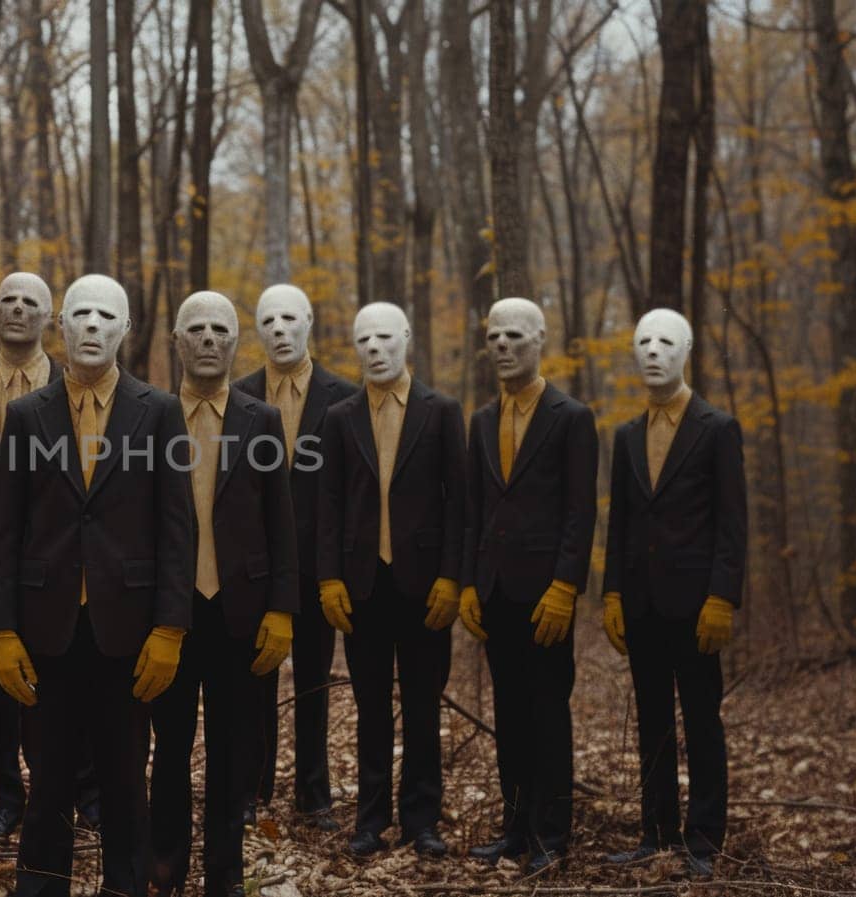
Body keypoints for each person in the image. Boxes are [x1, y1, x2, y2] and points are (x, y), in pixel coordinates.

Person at [0, 273, 195, 897]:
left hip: (128, 632)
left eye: (108, 316)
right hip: (46, 628)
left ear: (126, 330)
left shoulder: (158, 412)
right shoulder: (26, 415)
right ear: (62, 325)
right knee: (48, 777)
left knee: (126, 776)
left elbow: (176, 529)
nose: (94, 325)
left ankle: (125, 887)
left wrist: (169, 627)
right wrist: (1, 628)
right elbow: (4, 528)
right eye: (81, 314)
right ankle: (41, 887)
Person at [149, 291, 297, 897]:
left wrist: (283, 609)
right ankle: (165, 870)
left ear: (237, 343)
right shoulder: (148, 417)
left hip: (241, 612)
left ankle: (225, 878)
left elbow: (281, 523)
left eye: (221, 330)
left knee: (234, 754)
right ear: (177, 341)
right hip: (170, 614)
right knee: (170, 750)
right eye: (197, 329)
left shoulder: (261, 419)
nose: (209, 339)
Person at [602, 308, 746, 879]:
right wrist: (611, 592)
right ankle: (655, 832)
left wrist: (722, 598)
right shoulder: (626, 436)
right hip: (641, 606)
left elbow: (732, 524)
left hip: (696, 605)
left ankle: (704, 840)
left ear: (685, 351)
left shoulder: (716, 428)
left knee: (703, 719)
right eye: (644, 342)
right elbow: (620, 522)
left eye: (666, 342)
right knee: (653, 718)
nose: (653, 350)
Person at [317, 301, 464, 859]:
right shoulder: (339, 417)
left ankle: (422, 820)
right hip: (361, 588)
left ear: (406, 339)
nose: (374, 348)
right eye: (364, 340)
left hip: (425, 588)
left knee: (424, 708)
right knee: (371, 707)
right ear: (355, 348)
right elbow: (328, 505)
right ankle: (370, 821)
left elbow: (460, 505)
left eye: (384, 337)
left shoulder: (442, 411)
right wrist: (328, 578)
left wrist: (452, 578)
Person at [459, 298, 598, 873]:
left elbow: (579, 510)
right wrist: (469, 581)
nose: (504, 345)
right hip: (495, 593)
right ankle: (515, 829)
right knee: (510, 715)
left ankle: (552, 835)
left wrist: (565, 586)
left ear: (540, 340)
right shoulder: (483, 421)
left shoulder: (571, 418)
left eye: (516, 335)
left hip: (546, 596)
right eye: (495, 336)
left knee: (547, 711)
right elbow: (473, 509)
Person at [0, 272, 100, 842]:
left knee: (76, 677)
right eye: (9, 301)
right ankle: (7, 796)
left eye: (32, 303)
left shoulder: (74, 384)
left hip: (63, 559)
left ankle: (84, 790)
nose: (19, 310)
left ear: (51, 317)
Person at [233, 284, 357, 830]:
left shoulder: (345, 398)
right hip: (253, 568)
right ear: (257, 331)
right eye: (268, 321)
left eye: (289, 318)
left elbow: (352, 494)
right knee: (253, 678)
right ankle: (252, 789)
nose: (279, 329)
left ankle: (314, 795)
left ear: (309, 323)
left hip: (315, 567)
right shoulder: (237, 395)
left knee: (312, 681)